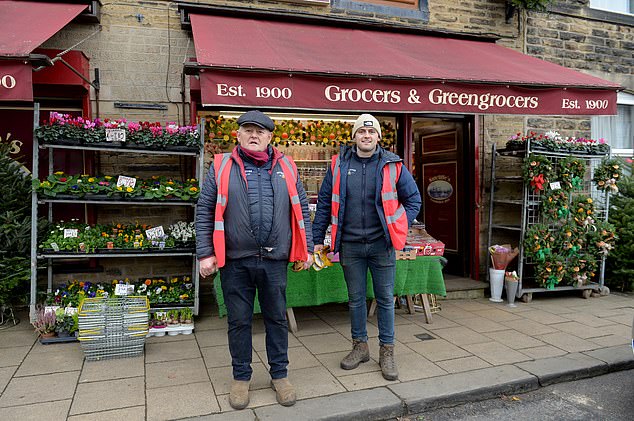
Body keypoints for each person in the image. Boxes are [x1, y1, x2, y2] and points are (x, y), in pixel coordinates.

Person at [196, 110, 313, 409]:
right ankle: (241, 378)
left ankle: (280, 375)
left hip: (274, 261)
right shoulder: (221, 165)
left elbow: (301, 211)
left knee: (276, 318)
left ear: (270, 137)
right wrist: (205, 253)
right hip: (235, 261)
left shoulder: (287, 166)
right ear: (237, 134)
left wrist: (307, 249)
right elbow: (205, 210)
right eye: (248, 129)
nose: (254, 135)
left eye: (260, 131)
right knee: (239, 321)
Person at [312, 113, 421, 381]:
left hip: (381, 245)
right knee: (356, 300)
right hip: (349, 245)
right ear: (355, 136)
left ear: (378, 138)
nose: (366, 136)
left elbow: (414, 200)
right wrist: (316, 240)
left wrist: (397, 225)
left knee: (384, 300)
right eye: (362, 132)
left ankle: (387, 351)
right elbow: (325, 203)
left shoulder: (393, 165)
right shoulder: (338, 165)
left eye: (371, 133)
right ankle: (359, 347)